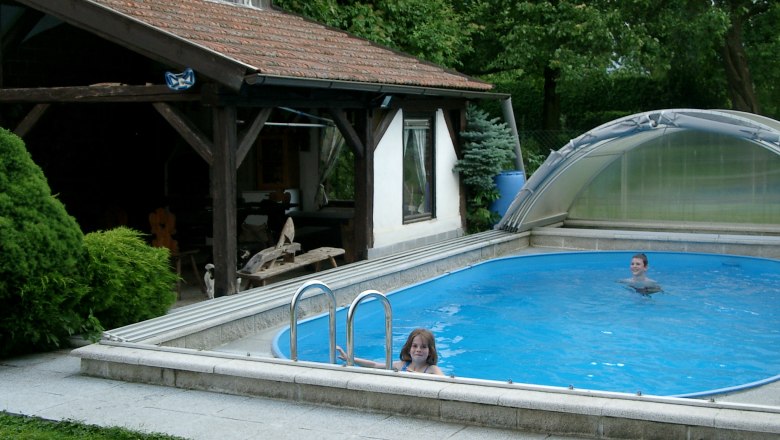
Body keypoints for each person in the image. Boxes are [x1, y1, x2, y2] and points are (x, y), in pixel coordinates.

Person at [336, 328, 444, 375]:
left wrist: (417, 375)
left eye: (423, 347)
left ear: (430, 351)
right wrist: (349, 358)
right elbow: (375, 365)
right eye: (415, 346)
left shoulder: (432, 370)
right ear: (409, 348)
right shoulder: (401, 365)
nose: (418, 350)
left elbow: (445, 382)